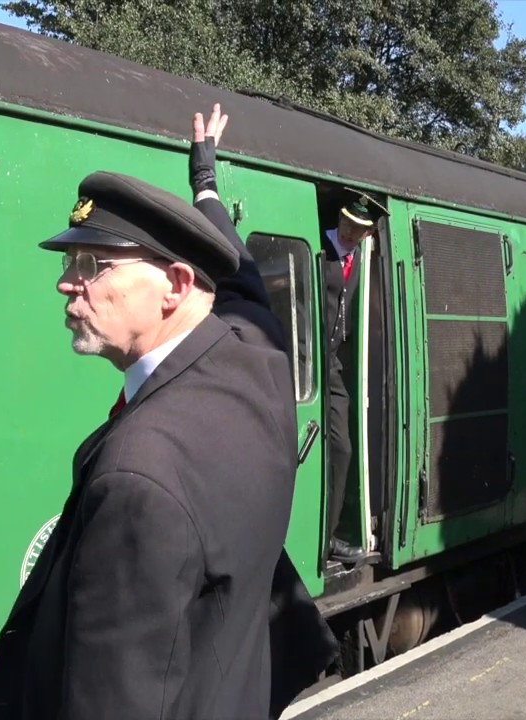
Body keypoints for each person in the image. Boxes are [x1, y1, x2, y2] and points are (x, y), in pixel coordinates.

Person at [0, 161, 303, 718]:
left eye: (93, 265)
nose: (67, 282)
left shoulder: (138, 477)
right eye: (69, 261)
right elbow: (244, 289)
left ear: (176, 286)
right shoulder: (263, 372)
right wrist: (206, 189)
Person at [187, 104, 340, 718]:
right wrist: (206, 186)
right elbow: (242, 280)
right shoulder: (266, 356)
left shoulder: (164, 425)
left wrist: (203, 183)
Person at [321, 193, 380, 565]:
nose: (349, 231)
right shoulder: (317, 246)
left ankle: (330, 538)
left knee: (341, 448)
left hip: (334, 365)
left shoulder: (361, 260)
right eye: (346, 223)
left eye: (358, 229)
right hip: (306, 360)